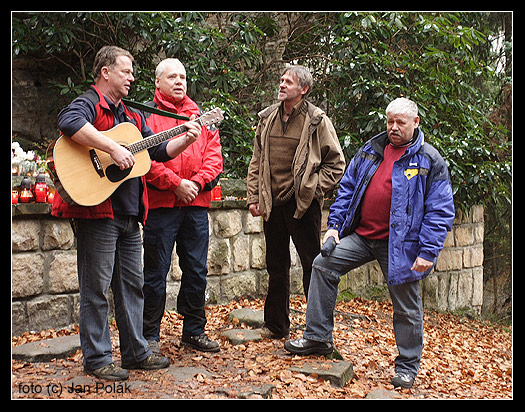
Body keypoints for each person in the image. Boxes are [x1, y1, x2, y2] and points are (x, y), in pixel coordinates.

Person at [52, 46, 202, 381]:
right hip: (98, 212)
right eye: (127, 71)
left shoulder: (131, 116)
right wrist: (111, 147)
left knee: (133, 286)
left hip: (130, 213)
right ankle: (98, 359)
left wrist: (188, 137)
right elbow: (69, 121)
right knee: (96, 289)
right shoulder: (90, 103)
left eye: (133, 72)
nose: (132, 78)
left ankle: (135, 352)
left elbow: (159, 150)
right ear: (105, 72)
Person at [284, 97, 455, 389]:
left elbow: (440, 210)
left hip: (401, 245)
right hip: (363, 236)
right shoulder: (371, 150)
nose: (394, 127)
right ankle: (318, 337)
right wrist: (334, 228)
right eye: (390, 121)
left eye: (400, 122)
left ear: (415, 122)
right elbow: (348, 188)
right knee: (323, 264)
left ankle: (406, 366)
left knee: (407, 307)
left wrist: (428, 250)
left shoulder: (429, 159)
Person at [246, 65, 345, 339]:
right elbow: (256, 161)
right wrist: (254, 196)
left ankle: (316, 331)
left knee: (313, 266)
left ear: (304, 89)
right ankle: (276, 326)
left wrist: (312, 188)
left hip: (303, 205)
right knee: (276, 266)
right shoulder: (267, 118)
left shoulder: (317, 120)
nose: (282, 85)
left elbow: (336, 165)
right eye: (281, 80)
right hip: (273, 204)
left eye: (288, 82)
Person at [141, 58, 223, 353]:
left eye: (183, 77)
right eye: (173, 76)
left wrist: (197, 184)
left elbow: (214, 157)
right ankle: (149, 335)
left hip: (196, 205)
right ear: (158, 82)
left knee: (197, 270)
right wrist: (175, 183)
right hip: (162, 205)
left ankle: (194, 330)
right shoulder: (146, 117)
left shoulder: (200, 116)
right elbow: (144, 160)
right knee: (155, 272)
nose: (179, 81)